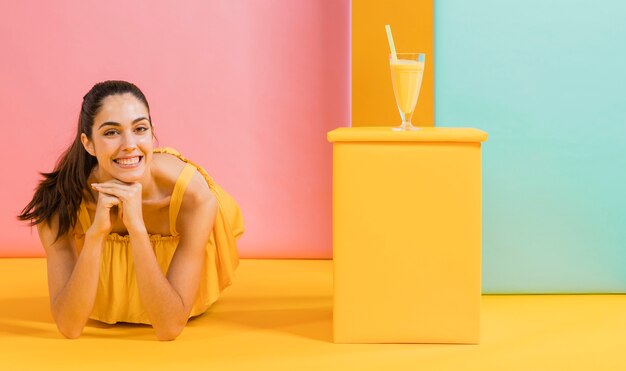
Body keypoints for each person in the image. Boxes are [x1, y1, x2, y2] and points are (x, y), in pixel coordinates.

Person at [18, 80, 244, 341]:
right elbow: (69, 327)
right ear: (88, 143)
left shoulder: (193, 198)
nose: (129, 144)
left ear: (152, 133)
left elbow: (169, 327)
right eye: (111, 132)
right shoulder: (59, 201)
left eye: (139, 129)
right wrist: (96, 234)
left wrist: (137, 228)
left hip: (179, 304)